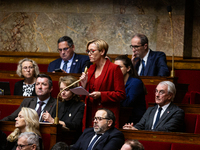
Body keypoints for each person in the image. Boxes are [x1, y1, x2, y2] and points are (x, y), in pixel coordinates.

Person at [80, 39, 126, 128]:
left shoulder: (114, 69)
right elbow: (83, 97)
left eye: (92, 51)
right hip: (91, 114)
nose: (89, 54)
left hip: (106, 116)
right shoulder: (90, 69)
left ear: (102, 51)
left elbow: (121, 94)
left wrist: (101, 95)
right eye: (88, 51)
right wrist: (84, 84)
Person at [42, 75, 85, 141]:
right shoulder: (58, 104)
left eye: (66, 90)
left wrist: (53, 121)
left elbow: (75, 125)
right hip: (56, 136)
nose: (63, 92)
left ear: (74, 91)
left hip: (70, 138)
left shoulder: (80, 105)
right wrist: (47, 119)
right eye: (61, 89)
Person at [114, 55, 146, 124]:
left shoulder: (135, 83)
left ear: (128, 68)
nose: (116, 70)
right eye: (115, 67)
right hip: (120, 117)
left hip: (134, 120)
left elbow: (127, 103)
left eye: (119, 67)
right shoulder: (115, 82)